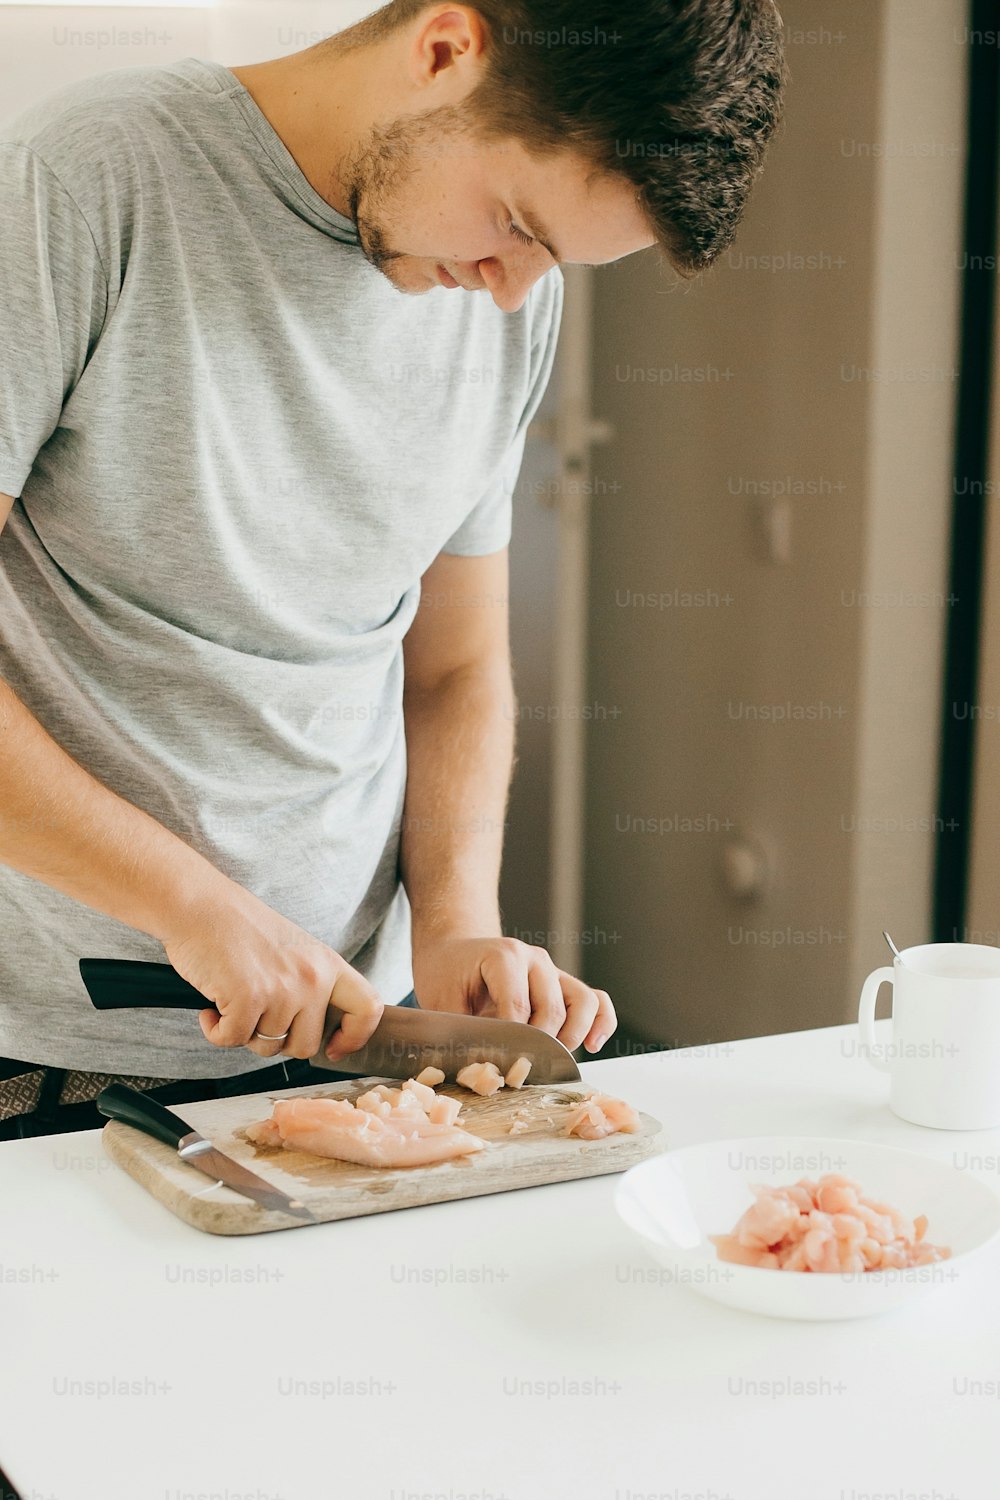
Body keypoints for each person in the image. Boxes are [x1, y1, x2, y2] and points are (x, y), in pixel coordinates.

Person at [0, 0, 786, 1137]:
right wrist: (187, 904)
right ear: (443, 51)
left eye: (554, 258)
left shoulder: (506, 302)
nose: (511, 288)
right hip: (45, 1051)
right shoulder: (80, 183)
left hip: (357, 1039)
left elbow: (453, 664)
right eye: (516, 223)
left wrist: (457, 925)